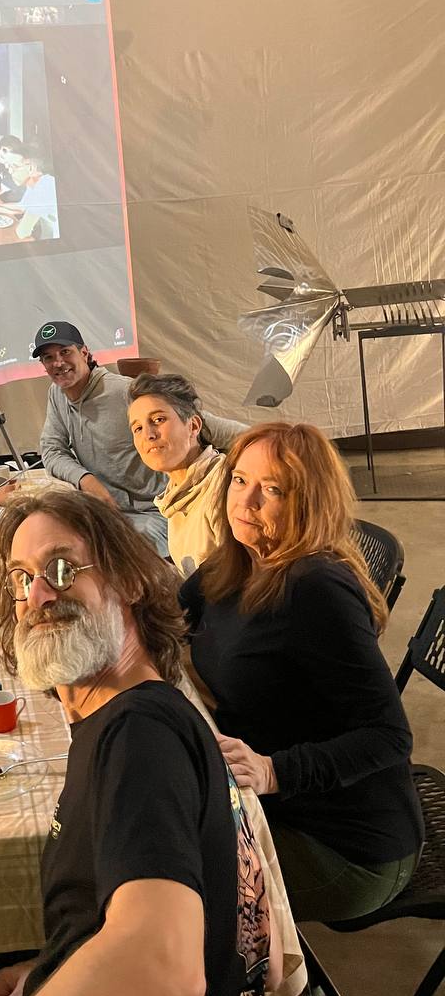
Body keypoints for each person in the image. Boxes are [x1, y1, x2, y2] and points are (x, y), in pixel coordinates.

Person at [0, 489, 275, 996]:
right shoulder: (126, 715)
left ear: (130, 582)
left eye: (62, 570)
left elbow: (164, 970)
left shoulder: (139, 736)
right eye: (21, 578)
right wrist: (53, 969)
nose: (37, 596)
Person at [180, 422, 424, 924]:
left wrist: (273, 771)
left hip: (347, 847)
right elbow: (168, 614)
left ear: (308, 504)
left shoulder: (315, 588)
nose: (245, 501)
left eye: (272, 489)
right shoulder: (238, 559)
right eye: (239, 480)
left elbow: (389, 736)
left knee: (170, 878)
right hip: (278, 806)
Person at [34, 321, 245, 558]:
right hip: (111, 512)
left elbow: (210, 426)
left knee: (113, 557)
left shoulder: (125, 392)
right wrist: (86, 480)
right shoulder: (57, 395)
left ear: (84, 353)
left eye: (65, 352)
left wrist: (269, 448)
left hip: (157, 510)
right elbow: (52, 449)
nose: (58, 363)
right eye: (48, 357)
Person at [128, 371, 232, 577]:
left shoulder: (223, 487)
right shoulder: (175, 496)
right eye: (138, 428)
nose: (148, 435)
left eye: (158, 419)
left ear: (193, 426)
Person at [0, 136, 58, 240]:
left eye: (15, 166)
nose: (10, 171)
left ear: (31, 168)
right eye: (9, 166)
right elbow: (22, 206)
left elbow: (22, 231)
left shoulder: (45, 187)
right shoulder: (34, 184)